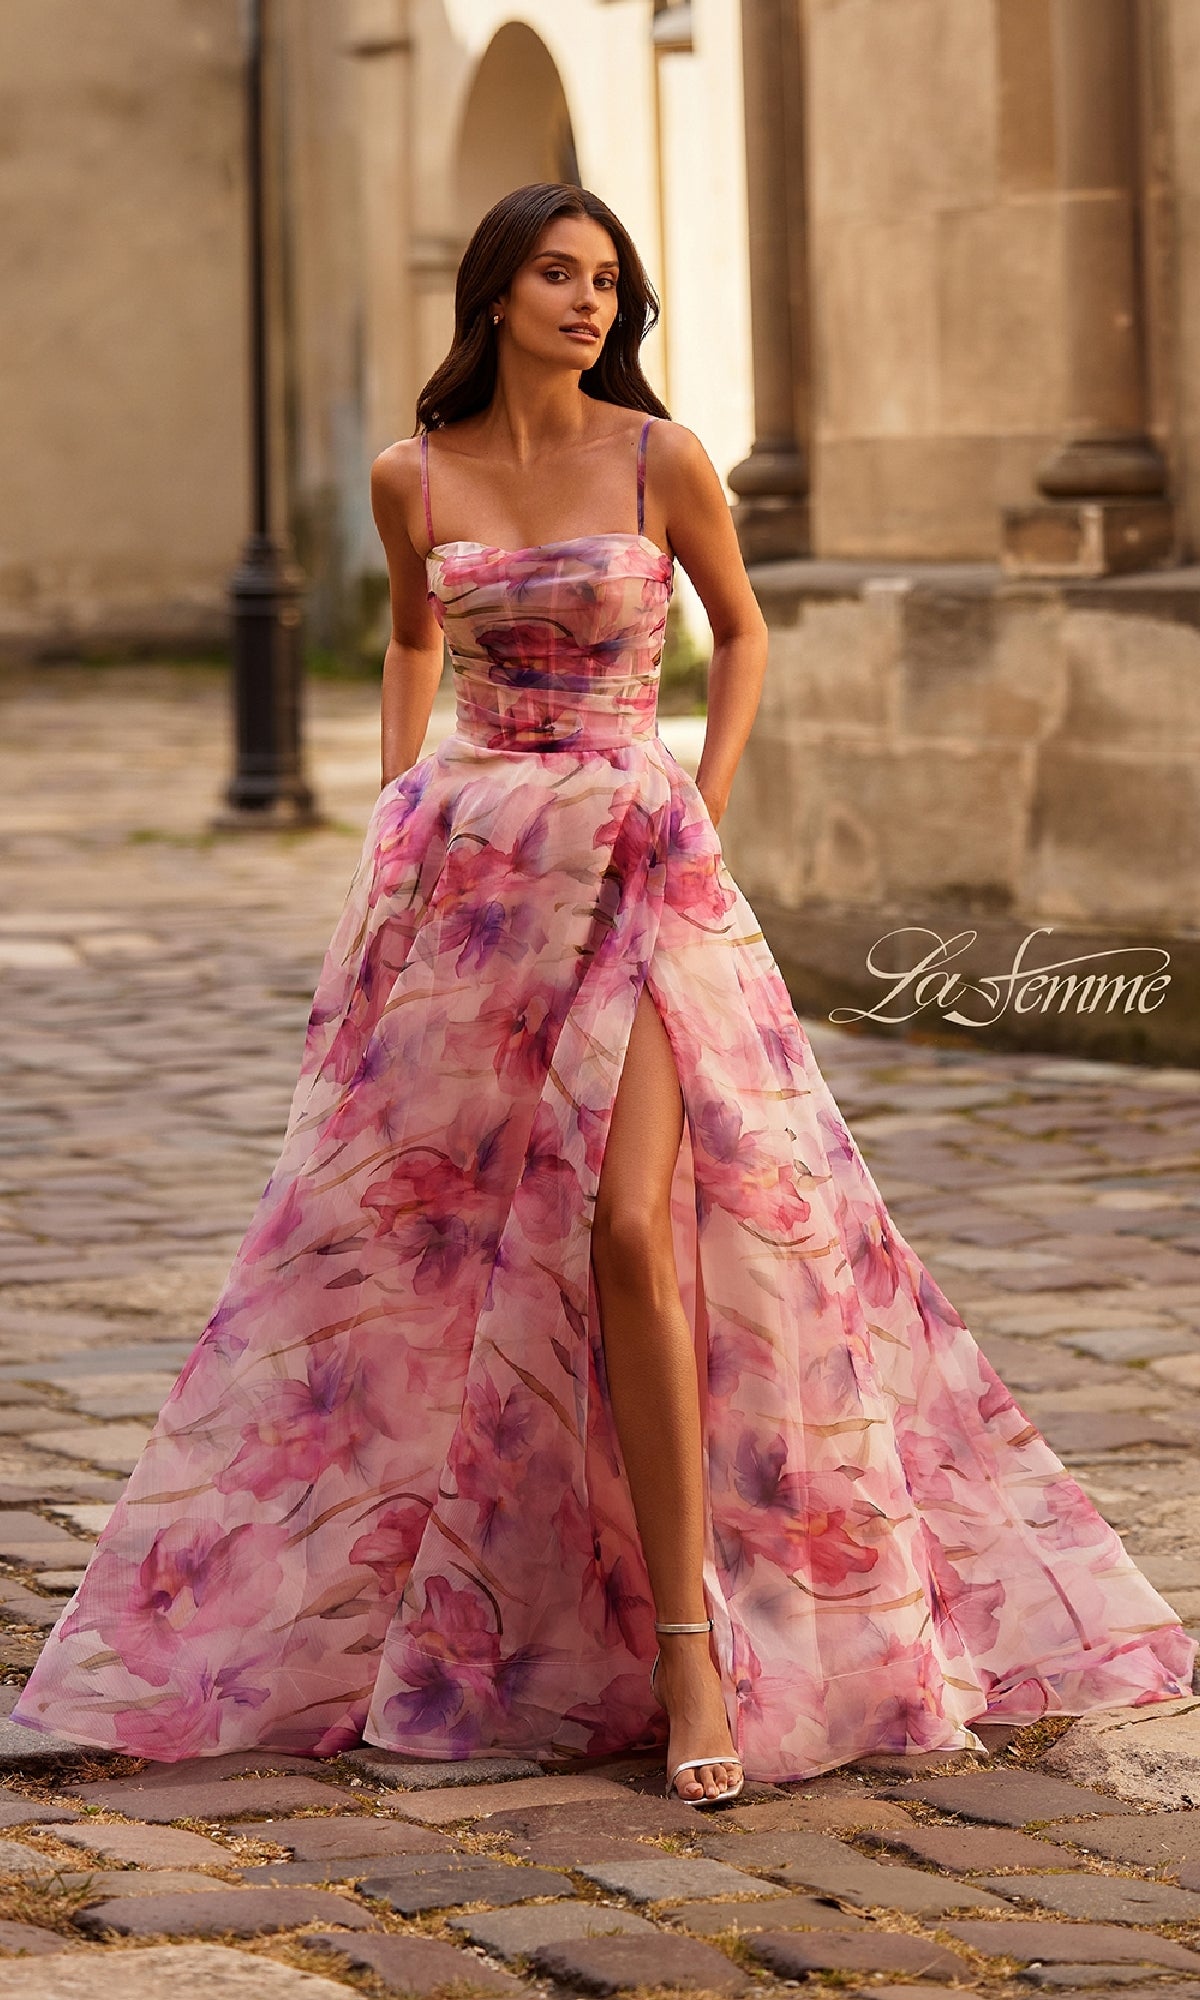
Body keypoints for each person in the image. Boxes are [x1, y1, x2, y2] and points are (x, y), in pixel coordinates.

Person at [13, 183, 1194, 1809]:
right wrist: (393, 818)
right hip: (478, 877)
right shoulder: (408, 475)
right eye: (559, 275)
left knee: (641, 1228)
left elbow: (746, 630)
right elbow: (417, 642)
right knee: (444, 1246)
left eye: (607, 281)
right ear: (494, 291)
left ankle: (697, 1645)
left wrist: (696, 799)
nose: (589, 301)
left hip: (643, 863)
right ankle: (468, 1601)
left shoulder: (662, 455)